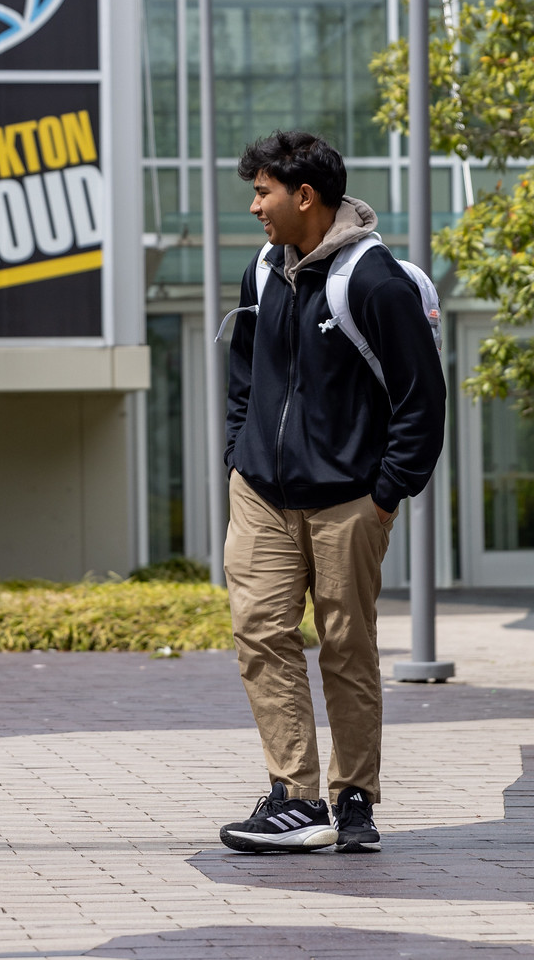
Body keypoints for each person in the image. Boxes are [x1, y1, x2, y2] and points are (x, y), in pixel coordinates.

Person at [217, 130, 446, 853]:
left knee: (346, 646)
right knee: (260, 632)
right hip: (261, 491)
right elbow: (246, 371)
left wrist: (386, 493)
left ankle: (354, 799)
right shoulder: (261, 268)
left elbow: (422, 400)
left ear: (304, 197)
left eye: (263, 192)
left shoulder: (372, 281)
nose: (255, 206)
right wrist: (239, 449)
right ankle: (293, 796)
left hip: (350, 497)